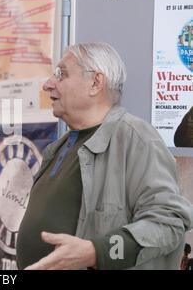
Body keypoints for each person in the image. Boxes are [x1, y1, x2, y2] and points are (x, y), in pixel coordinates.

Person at [16, 42, 193, 270]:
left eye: (61, 74)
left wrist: (95, 253)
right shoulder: (58, 148)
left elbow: (169, 222)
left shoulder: (135, 137)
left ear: (95, 83)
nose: (48, 85)